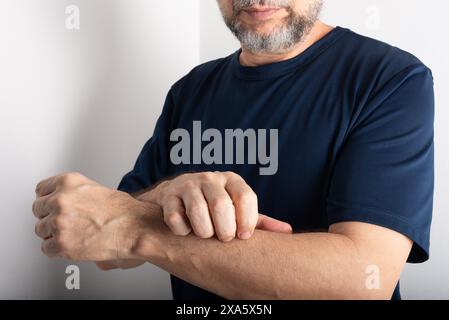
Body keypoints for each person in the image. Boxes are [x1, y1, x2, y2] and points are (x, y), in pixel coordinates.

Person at [32, 0, 435, 300]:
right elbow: (110, 244)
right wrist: (158, 199)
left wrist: (138, 229)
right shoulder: (190, 90)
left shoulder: (391, 80)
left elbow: (365, 278)